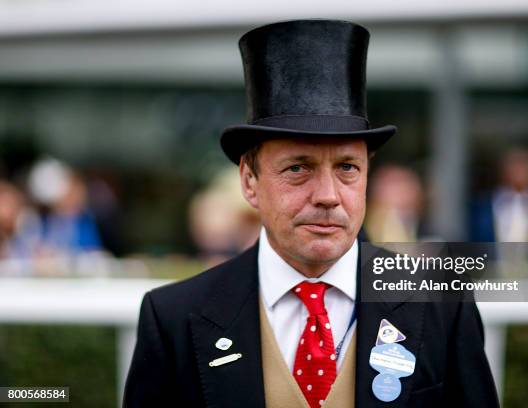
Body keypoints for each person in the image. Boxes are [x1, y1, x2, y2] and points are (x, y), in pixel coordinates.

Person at [124, 19, 499, 407]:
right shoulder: (174, 317)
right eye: (298, 168)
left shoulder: (441, 307)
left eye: (347, 168)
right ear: (249, 181)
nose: (327, 196)